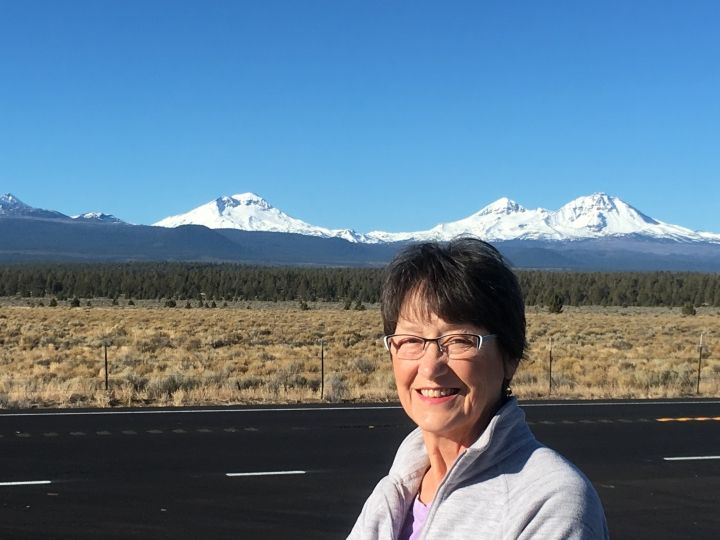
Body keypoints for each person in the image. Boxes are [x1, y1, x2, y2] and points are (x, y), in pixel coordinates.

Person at [348, 237, 608, 539]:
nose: (430, 367)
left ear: (510, 357)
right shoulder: (394, 492)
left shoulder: (548, 502)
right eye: (410, 341)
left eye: (459, 341)